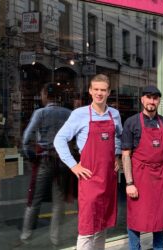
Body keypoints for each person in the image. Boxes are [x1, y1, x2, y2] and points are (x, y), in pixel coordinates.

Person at [54, 74, 122, 250]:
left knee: (102, 224)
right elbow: (59, 139)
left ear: (108, 92)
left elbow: (118, 137)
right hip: (90, 177)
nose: (99, 93)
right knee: (87, 227)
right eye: (96, 89)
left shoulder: (114, 114)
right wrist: (73, 165)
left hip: (108, 177)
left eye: (103, 90)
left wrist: (117, 155)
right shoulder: (80, 114)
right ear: (90, 91)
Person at [121, 86, 163, 250]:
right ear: (142, 100)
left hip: (160, 175)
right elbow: (126, 154)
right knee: (136, 217)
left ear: (158, 101)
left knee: (158, 217)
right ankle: (134, 248)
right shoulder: (131, 122)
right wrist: (129, 182)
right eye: (148, 97)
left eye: (155, 98)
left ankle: (159, 248)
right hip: (139, 176)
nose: (151, 101)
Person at [19, 82, 72, 246]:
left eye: (42, 94)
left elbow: (26, 139)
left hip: (44, 160)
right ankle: (55, 238)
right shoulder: (68, 113)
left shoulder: (40, 113)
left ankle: (26, 236)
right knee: (59, 202)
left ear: (46, 96)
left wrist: (31, 156)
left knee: (35, 199)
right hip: (62, 161)